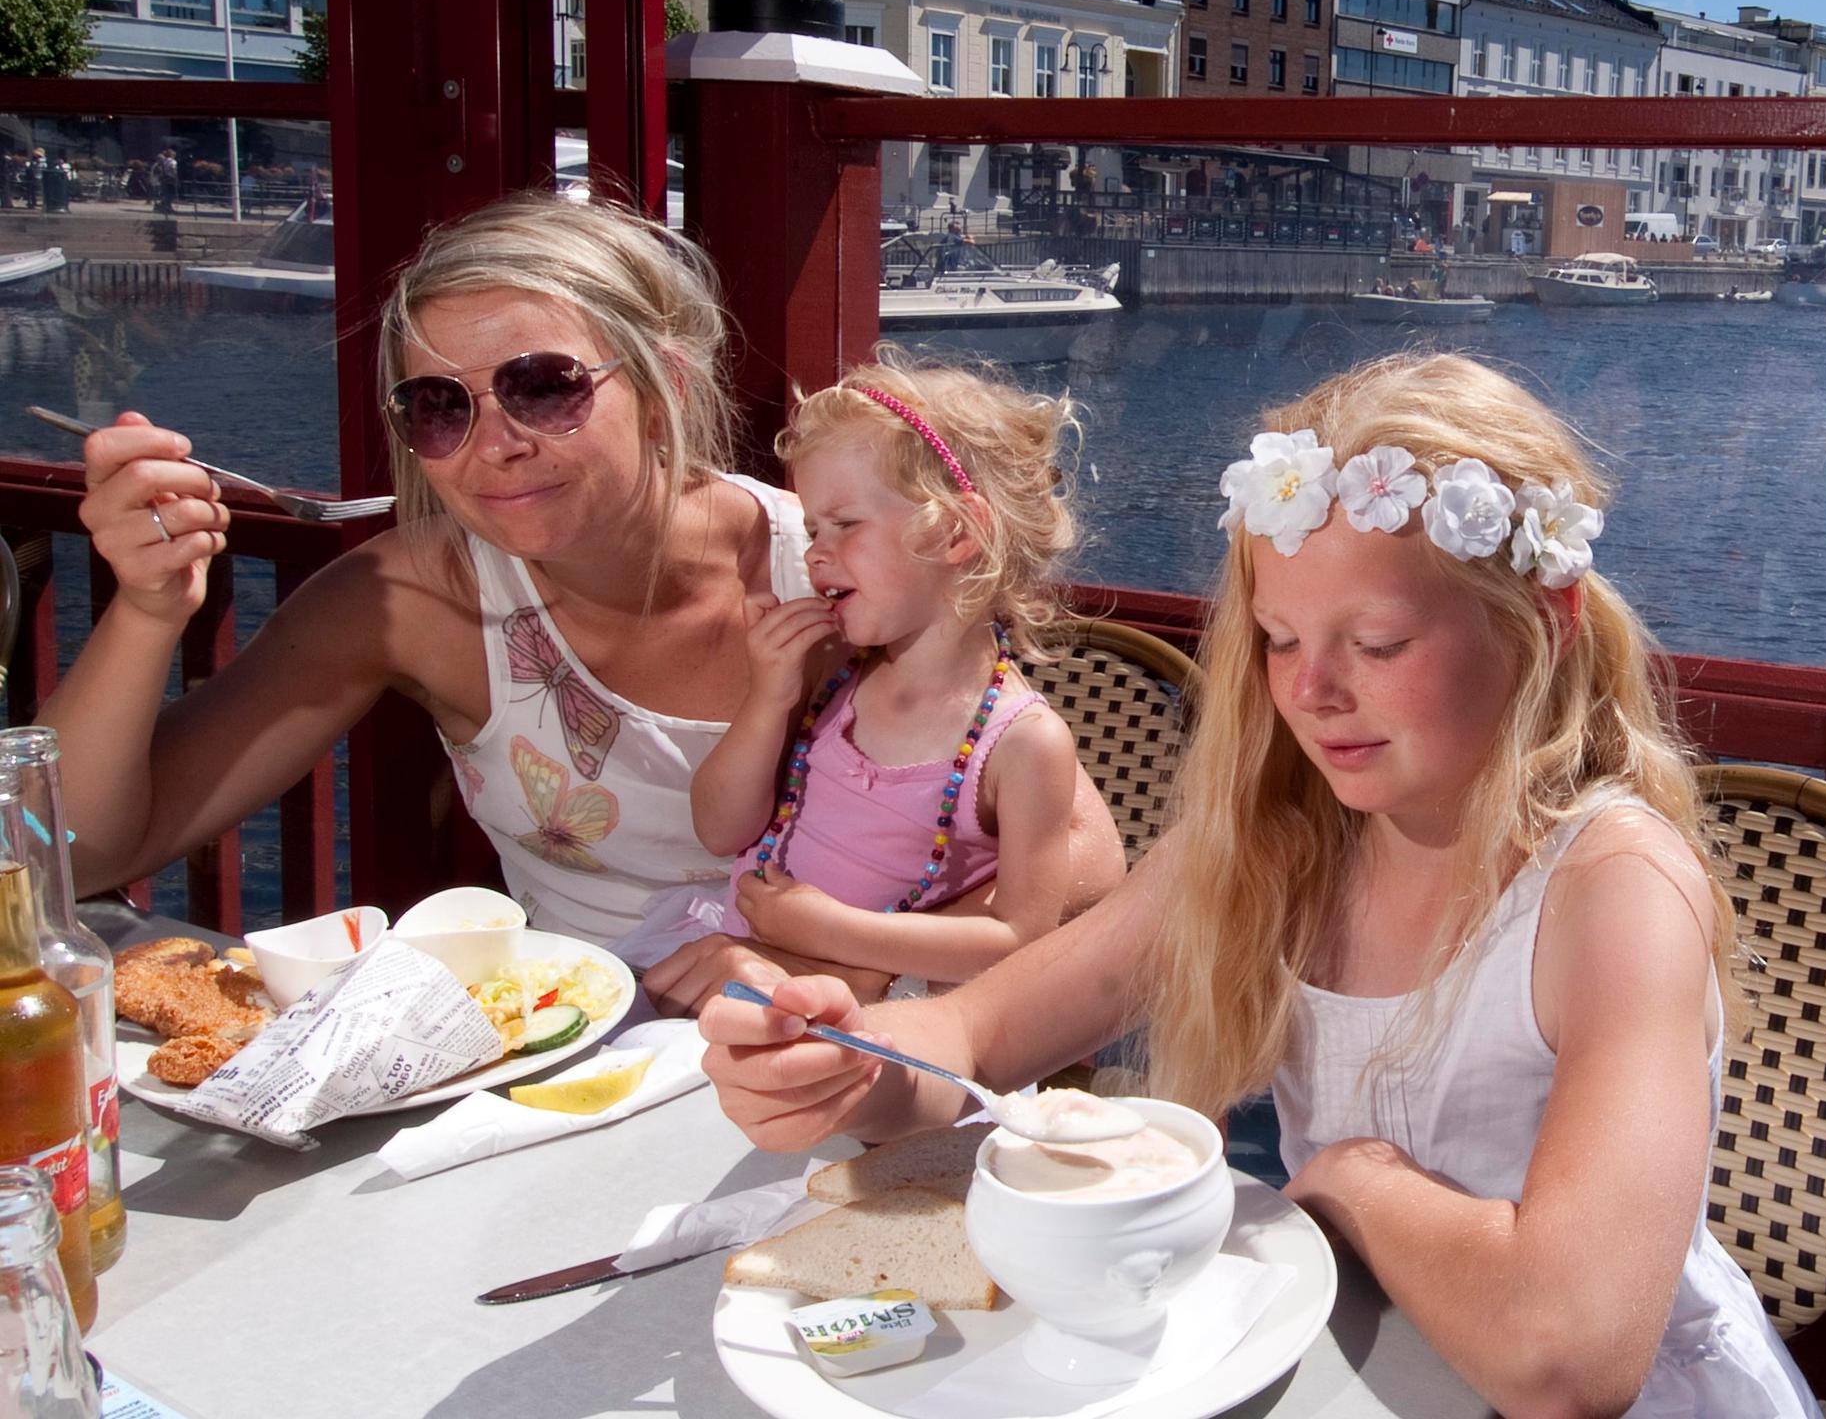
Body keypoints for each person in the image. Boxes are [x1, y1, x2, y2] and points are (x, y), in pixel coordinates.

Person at [702, 352, 1819, 1418]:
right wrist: (848, 1064)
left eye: (1376, 643)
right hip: (1356, 1364)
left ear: (1540, 623)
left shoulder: (1611, 888)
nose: (1314, 692)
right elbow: (972, 1037)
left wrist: (1353, 1178)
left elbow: (1567, 1355)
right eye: (1280, 640)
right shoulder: (1274, 837)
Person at [36, 192, 1123, 1014]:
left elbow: (1085, 860)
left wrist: (821, 954)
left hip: (844, 1051)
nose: (494, 442)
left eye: (542, 385)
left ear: (663, 386)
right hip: (572, 1067)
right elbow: (79, 853)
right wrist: (145, 608)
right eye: (438, 406)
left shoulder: (833, 569)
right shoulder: (410, 599)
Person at [681, 356, 1083, 993]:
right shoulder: (831, 674)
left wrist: (830, 931)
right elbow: (718, 830)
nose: (815, 551)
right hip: (739, 973)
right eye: (813, 528)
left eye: (845, 523)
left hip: (880, 1019)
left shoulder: (1023, 744)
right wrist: (767, 699)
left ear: (955, 532)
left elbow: (1019, 940)